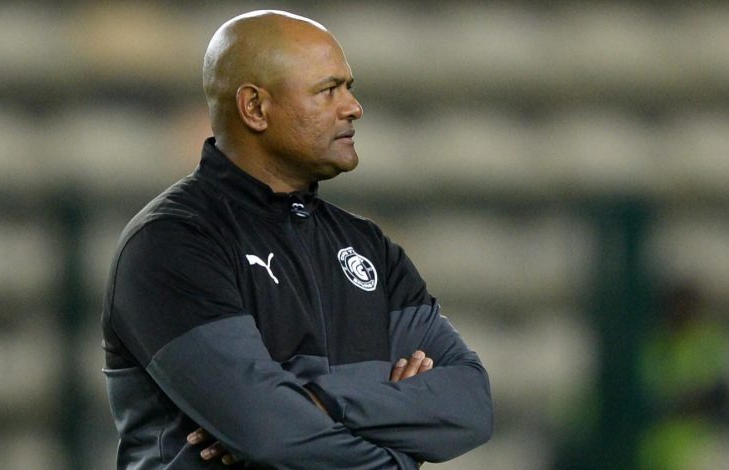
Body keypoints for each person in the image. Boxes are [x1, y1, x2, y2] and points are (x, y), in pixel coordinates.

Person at [102, 9, 493, 469]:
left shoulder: (368, 247)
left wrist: (325, 403)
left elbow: (470, 404)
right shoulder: (172, 243)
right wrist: (398, 446)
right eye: (328, 90)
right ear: (255, 108)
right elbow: (273, 437)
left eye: (348, 88)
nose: (353, 107)